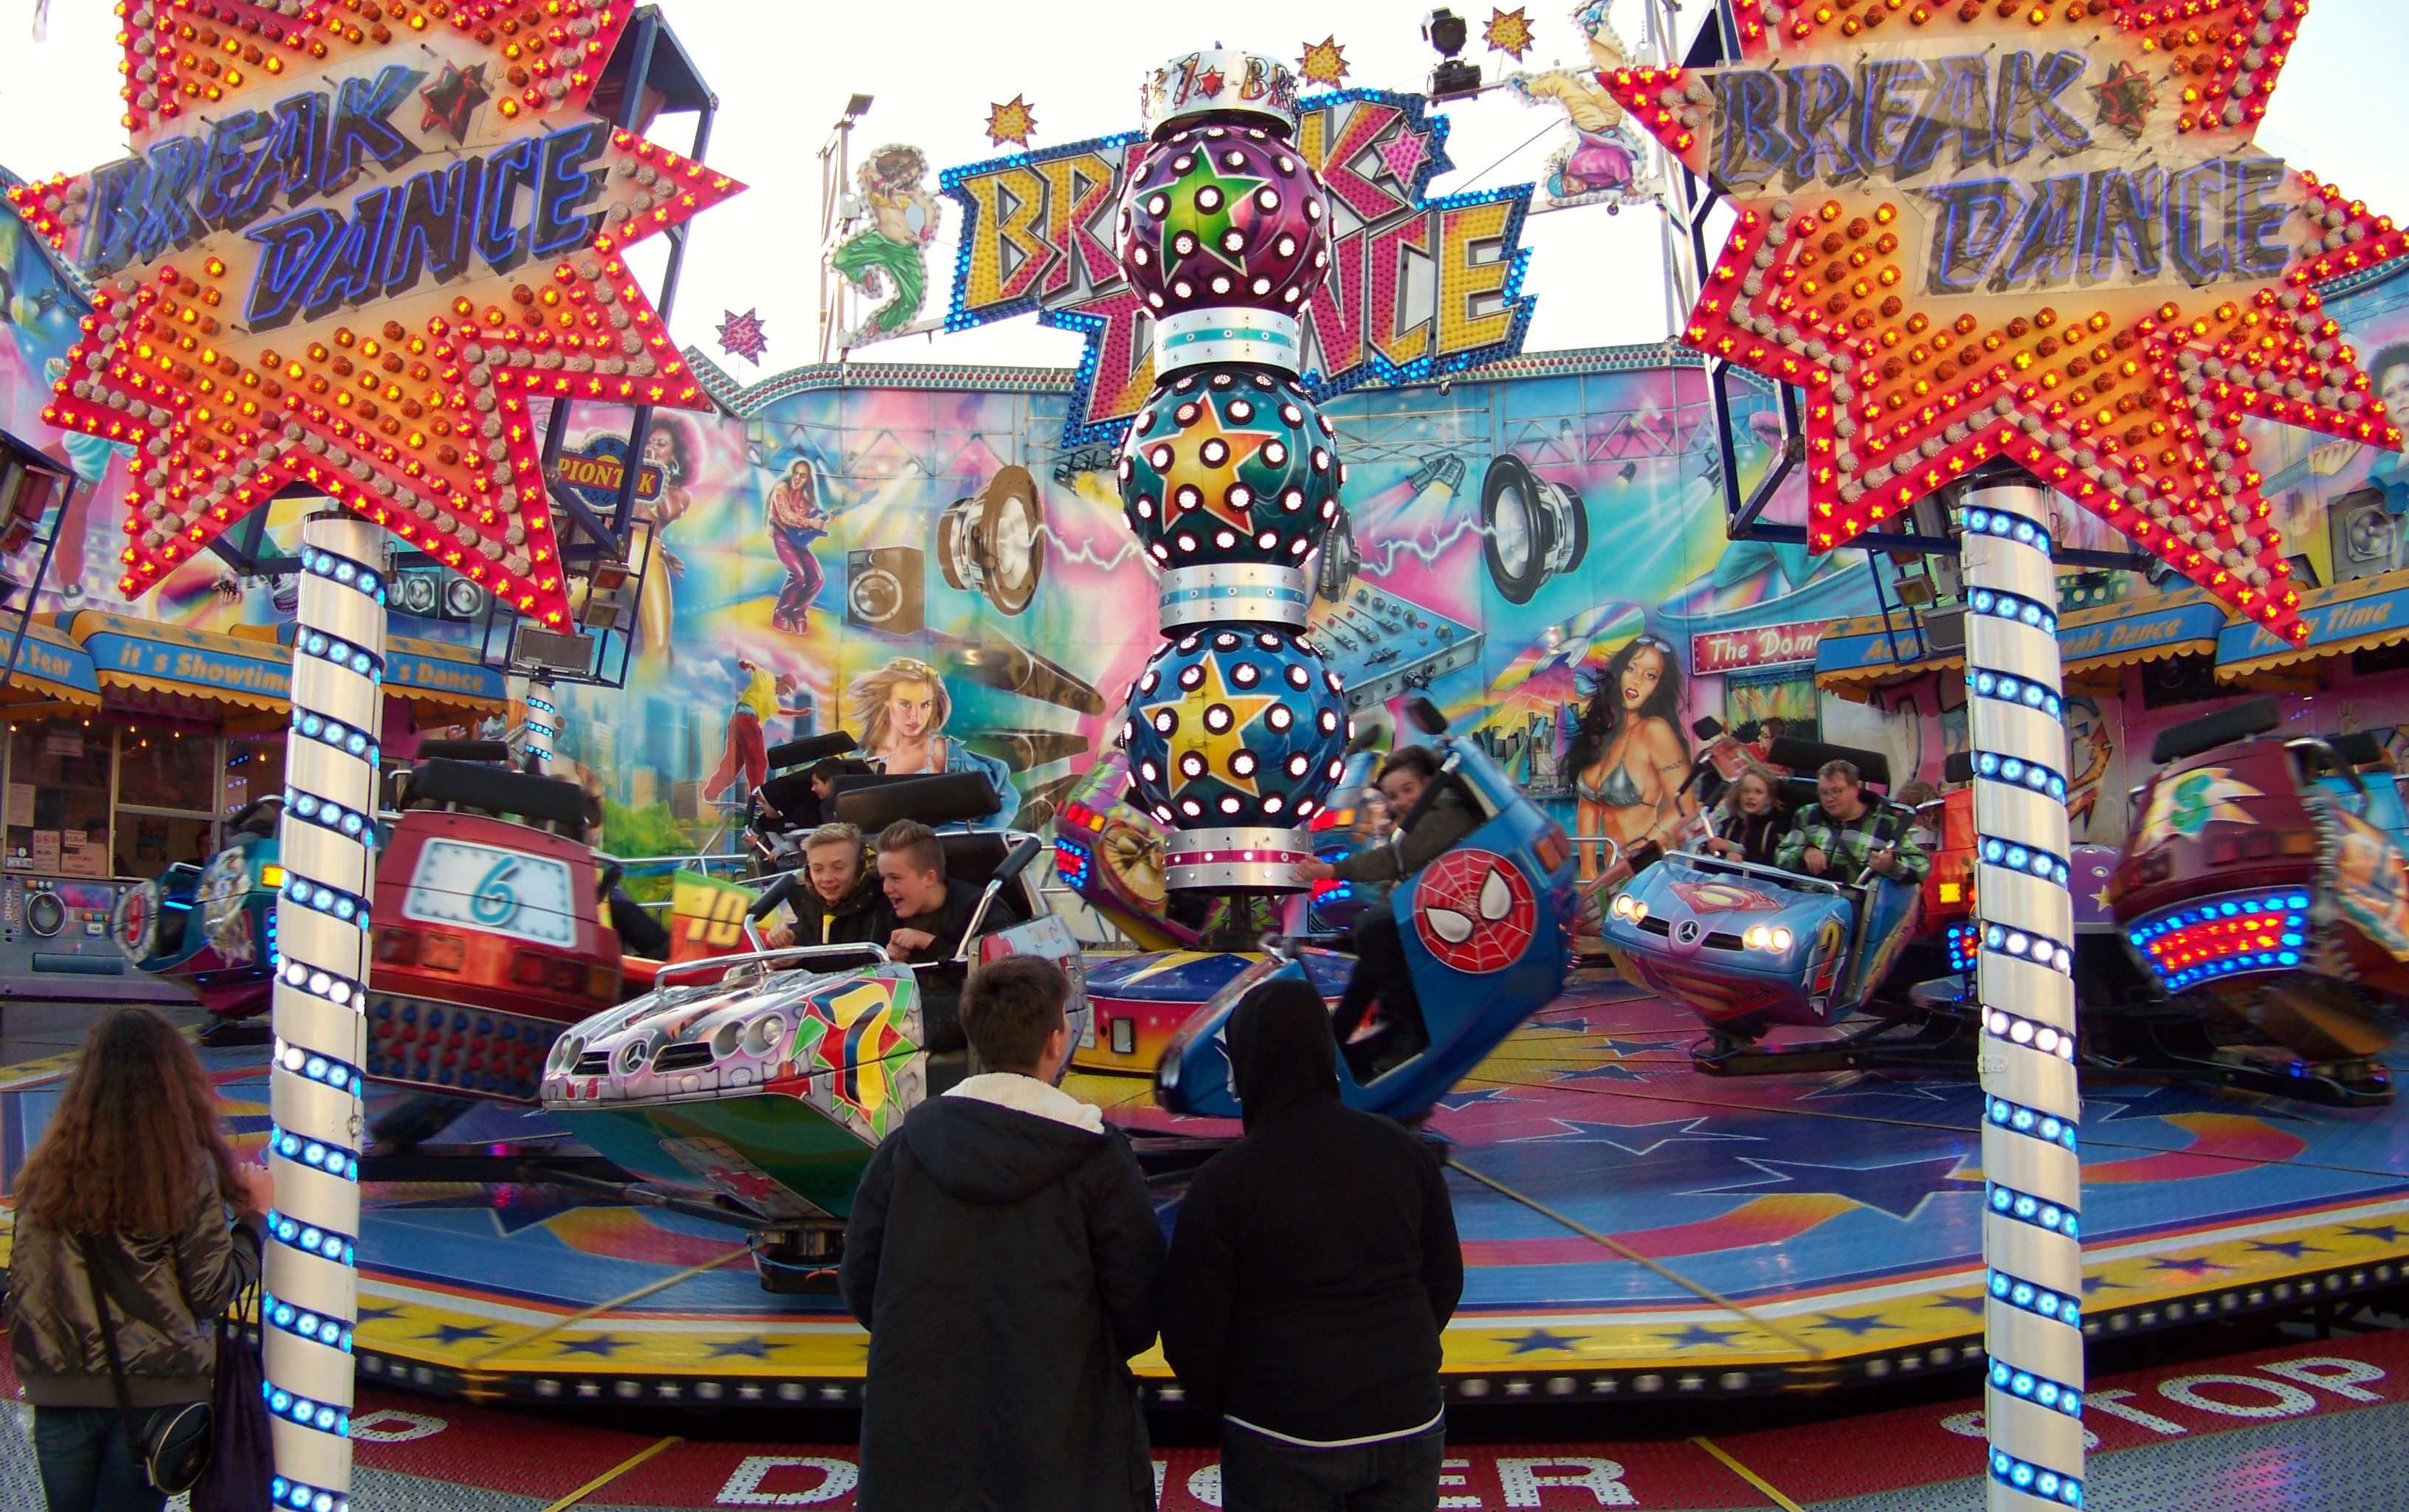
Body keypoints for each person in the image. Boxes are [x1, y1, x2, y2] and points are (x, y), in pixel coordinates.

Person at [841, 956, 1162, 1512]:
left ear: (975, 1035)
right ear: (1055, 1040)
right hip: (1061, 1438)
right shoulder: (1094, 1155)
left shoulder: (907, 1147)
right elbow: (1138, 1302)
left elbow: (861, 1282)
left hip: (923, 1440)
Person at [1161, 978, 1462, 1512]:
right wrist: (1396, 1359)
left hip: (1279, 1426)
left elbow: (1190, 1332)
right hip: (1407, 1414)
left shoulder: (1224, 1182)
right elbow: (1443, 1280)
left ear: (1248, 1065)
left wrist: (1244, 1399)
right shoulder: (1404, 1151)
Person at [11, 1007, 271, 1512]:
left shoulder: (46, 1172)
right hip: (156, 1397)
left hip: (60, 1391)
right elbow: (211, 1290)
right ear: (173, 1080)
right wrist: (254, 1222)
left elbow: (27, 1287)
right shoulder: (182, 1169)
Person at [1295, 745, 1482, 1079]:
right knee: (1371, 932)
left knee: (1374, 929)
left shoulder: (1446, 811)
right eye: (1393, 796)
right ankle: (1339, 1035)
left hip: (1468, 911)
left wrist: (1331, 870)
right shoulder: (1430, 814)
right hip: (1455, 905)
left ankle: (1412, 1031)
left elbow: (1399, 859)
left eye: (1408, 790)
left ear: (1429, 783)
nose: (1401, 802)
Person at [1568, 635, 1697, 883]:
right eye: (1631, 668)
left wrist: (1643, 850)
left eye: (1651, 675)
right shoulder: (1606, 731)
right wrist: (1588, 874)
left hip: (1648, 873)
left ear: (1659, 685)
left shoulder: (1654, 731)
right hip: (1611, 876)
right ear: (1619, 672)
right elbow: (1589, 804)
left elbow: (1685, 806)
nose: (1637, 680)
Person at [852, 658, 1013, 829]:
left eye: (925, 705)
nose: (915, 716)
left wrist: (980, 837)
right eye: (905, 704)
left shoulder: (939, 751)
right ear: (886, 700)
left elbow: (1004, 795)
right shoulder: (859, 758)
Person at [1774, 759, 1931, 886]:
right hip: (1804, 899)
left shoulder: (1885, 824)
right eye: (1823, 793)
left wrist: (1891, 865)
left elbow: (1922, 867)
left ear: (1855, 789)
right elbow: (1780, 856)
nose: (1829, 798)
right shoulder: (1807, 815)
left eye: (1836, 791)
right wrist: (1803, 853)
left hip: (1851, 904)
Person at [874, 819, 982, 967]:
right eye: (883, 878)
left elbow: (994, 971)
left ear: (929, 878)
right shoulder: (883, 912)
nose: (886, 888)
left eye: (895, 878)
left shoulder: (981, 909)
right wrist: (891, 964)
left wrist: (927, 942)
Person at [762, 822, 885, 950]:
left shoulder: (880, 900)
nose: (827, 878)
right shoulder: (807, 900)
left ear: (860, 867)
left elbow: (867, 956)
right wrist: (786, 941)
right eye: (817, 869)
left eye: (838, 868)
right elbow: (804, 941)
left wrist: (803, 955)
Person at [765, 458, 830, 635]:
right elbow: (785, 516)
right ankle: (780, 614)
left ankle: (798, 612)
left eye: (803, 476)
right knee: (799, 575)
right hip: (782, 536)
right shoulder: (781, 489)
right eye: (796, 473)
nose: (797, 478)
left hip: (798, 541)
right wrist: (810, 522)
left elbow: (814, 514)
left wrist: (824, 518)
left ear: (808, 479)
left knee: (817, 579)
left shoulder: (805, 498)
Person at [1702, 764, 1788, 869]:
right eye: (1746, 791)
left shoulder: (1776, 828)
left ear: (1769, 799)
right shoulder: (1731, 823)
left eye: (1758, 792)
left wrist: (1736, 850)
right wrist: (1712, 848)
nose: (1750, 797)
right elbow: (1714, 855)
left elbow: (1773, 864)